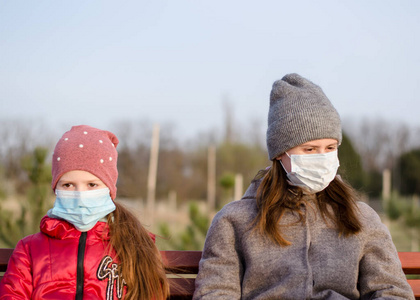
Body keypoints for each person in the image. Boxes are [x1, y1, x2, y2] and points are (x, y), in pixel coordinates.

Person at [193, 73, 414, 299]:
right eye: (309, 150)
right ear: (280, 153)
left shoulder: (361, 218)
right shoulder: (234, 221)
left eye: (330, 148)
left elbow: (392, 291)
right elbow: (215, 292)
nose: (322, 157)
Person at [0, 125, 169, 300]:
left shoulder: (135, 245)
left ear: (109, 189)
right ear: (55, 188)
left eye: (92, 185)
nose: (80, 195)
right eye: (68, 185)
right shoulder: (30, 249)